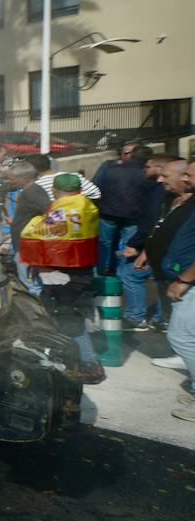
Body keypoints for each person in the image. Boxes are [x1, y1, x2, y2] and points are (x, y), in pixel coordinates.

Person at [17, 174, 105, 384]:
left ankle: (89, 364)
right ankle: (73, 359)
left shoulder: (60, 210)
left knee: (68, 320)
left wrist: (36, 220)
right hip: (82, 271)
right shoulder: (89, 208)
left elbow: (32, 233)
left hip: (61, 275)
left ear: (55, 190)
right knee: (69, 317)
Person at [138, 159, 193, 368]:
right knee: (171, 315)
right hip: (164, 270)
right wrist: (146, 252)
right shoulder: (168, 198)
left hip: (183, 274)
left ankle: (186, 354)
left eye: (166, 176)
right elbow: (160, 227)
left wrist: (183, 278)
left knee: (184, 328)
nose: (160, 180)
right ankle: (181, 355)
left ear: (183, 177)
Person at [118, 154, 178, 331]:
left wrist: (136, 244)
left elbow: (152, 221)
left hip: (163, 249)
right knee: (160, 279)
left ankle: (137, 317)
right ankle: (161, 319)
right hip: (161, 248)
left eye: (148, 166)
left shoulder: (160, 191)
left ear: (160, 168)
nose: (144, 170)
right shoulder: (170, 193)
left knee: (129, 273)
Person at [93, 143, 159, 276]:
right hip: (134, 216)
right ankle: (123, 273)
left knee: (104, 244)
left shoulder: (111, 169)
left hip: (107, 213)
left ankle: (102, 273)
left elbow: (96, 188)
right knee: (129, 245)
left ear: (132, 155)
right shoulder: (147, 175)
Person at [160, 167, 195, 421]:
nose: (185, 178)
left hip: (190, 280)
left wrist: (184, 279)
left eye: (190, 174)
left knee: (181, 337)